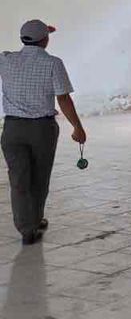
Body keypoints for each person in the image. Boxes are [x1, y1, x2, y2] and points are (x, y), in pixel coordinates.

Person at [0, 20, 86, 245]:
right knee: (39, 177)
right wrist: (77, 127)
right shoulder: (53, 63)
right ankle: (34, 221)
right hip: (42, 129)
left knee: (18, 179)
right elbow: (63, 98)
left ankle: (26, 228)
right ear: (45, 40)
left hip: (12, 129)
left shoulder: (5, 59)